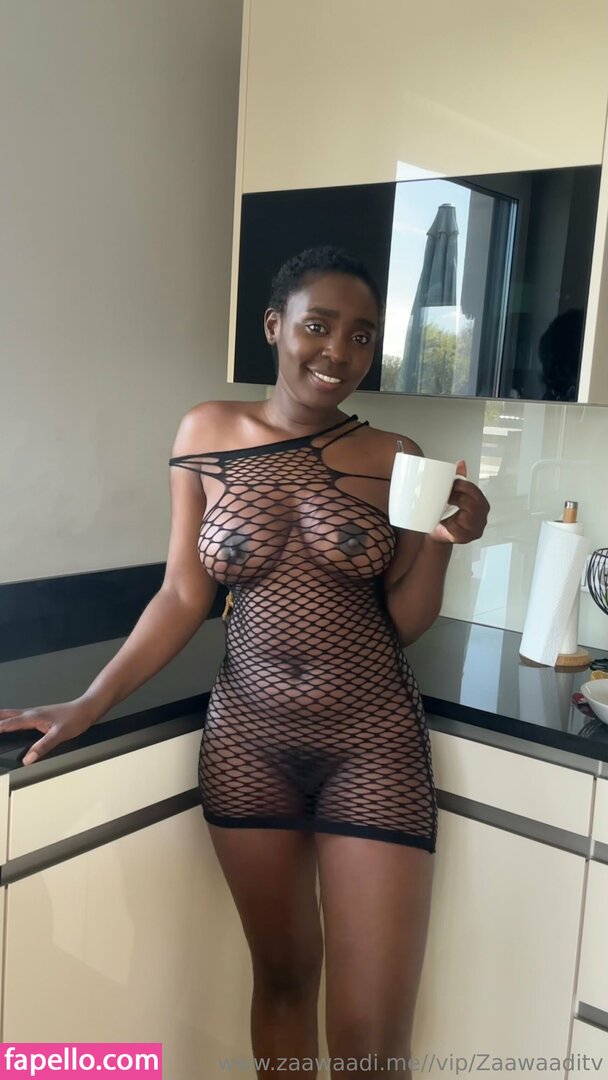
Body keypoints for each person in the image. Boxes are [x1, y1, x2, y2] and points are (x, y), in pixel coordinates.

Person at [0, 247, 489, 1079]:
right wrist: (88, 702)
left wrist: (444, 542)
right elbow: (180, 594)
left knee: (372, 1039)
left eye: (362, 336)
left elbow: (400, 622)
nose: (338, 351)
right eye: (318, 325)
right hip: (247, 744)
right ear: (274, 326)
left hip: (372, 744)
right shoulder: (205, 431)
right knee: (285, 978)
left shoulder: (397, 455)